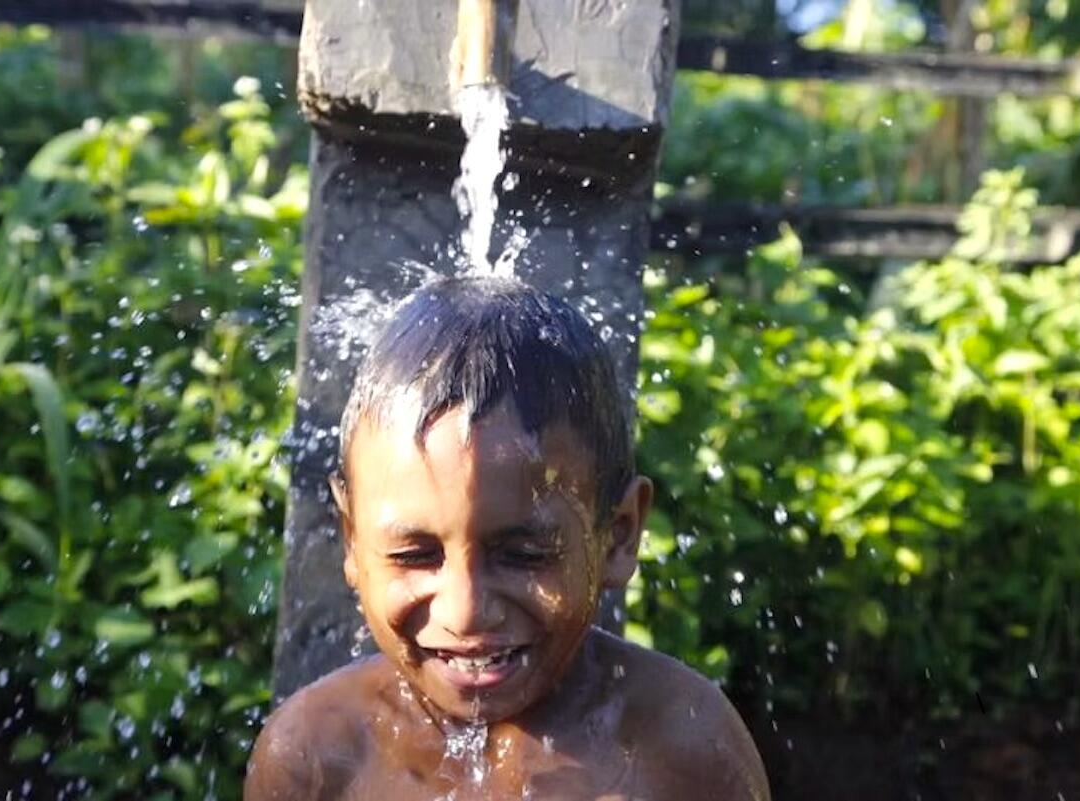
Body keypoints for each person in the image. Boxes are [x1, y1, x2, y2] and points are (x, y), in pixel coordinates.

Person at [245, 275, 770, 800]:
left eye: (522, 555)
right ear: (353, 540)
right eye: (415, 555)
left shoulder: (679, 750)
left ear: (618, 536)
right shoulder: (318, 758)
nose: (466, 612)